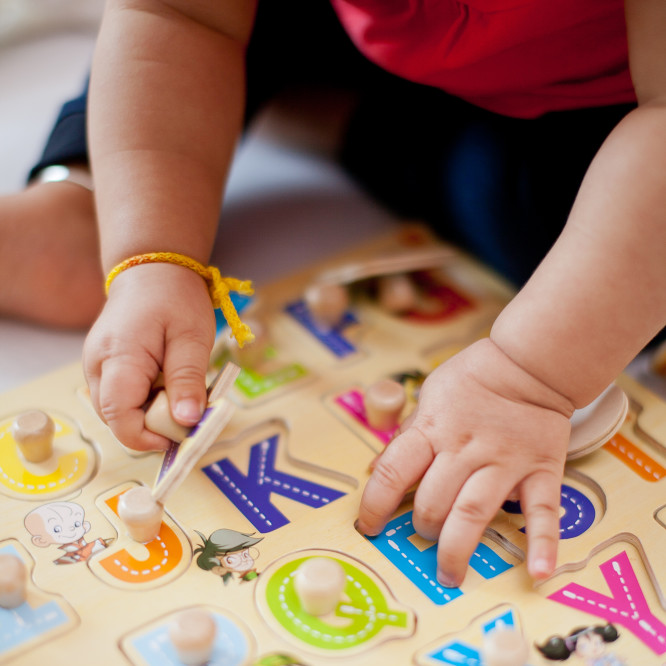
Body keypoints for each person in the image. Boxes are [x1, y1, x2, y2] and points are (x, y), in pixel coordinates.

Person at [4, 0, 666, 591]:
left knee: (578, 249)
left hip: (608, 106)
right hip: (372, 33)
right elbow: (183, 17)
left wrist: (529, 377)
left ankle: (343, 119)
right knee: (194, 33)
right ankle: (86, 197)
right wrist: (148, 254)